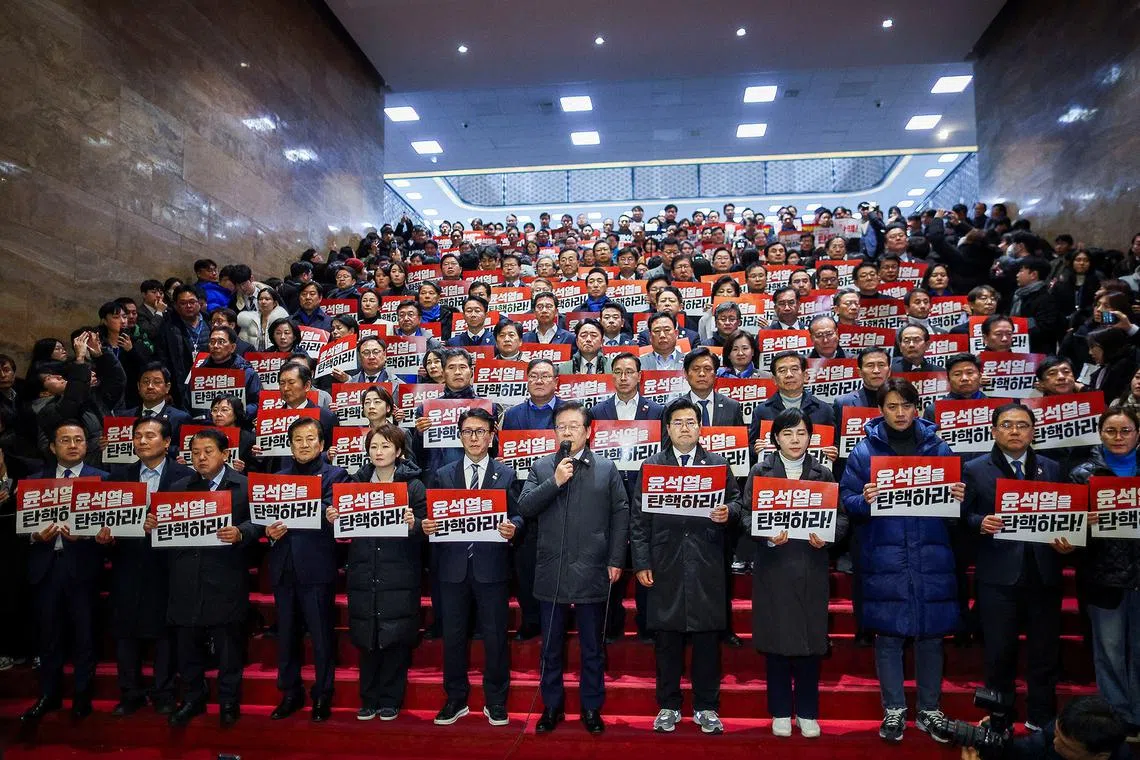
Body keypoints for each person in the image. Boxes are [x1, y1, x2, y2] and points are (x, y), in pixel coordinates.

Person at [839, 378, 964, 743]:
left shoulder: (939, 447)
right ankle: (894, 710)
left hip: (931, 552)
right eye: (891, 406)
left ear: (917, 408)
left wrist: (959, 495)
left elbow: (958, 507)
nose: (899, 412)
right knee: (889, 637)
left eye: (905, 406)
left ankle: (929, 710)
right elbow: (848, 502)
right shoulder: (864, 452)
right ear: (880, 410)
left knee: (931, 636)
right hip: (885, 554)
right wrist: (865, 498)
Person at [630, 398, 741, 735]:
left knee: (708, 640)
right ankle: (668, 705)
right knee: (667, 640)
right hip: (665, 563)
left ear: (700, 426)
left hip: (706, 561)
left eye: (690, 421)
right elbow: (638, 522)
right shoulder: (652, 466)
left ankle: (707, 707)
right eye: (677, 422)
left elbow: (738, 502)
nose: (684, 428)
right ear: (667, 428)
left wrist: (729, 513)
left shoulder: (718, 465)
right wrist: (642, 562)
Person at [519, 401, 629, 735]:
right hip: (552, 570)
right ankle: (551, 707)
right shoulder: (542, 468)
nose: (567, 432)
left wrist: (615, 559)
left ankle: (591, 708)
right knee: (550, 647)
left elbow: (620, 513)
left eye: (573, 426)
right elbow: (525, 506)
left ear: (588, 430)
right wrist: (555, 481)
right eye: (561, 426)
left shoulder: (606, 468)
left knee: (592, 647)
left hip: (593, 567)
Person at [962, 402, 1071, 730]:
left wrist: (1069, 539)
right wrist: (980, 522)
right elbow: (959, 517)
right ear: (993, 431)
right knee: (999, 653)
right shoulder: (974, 469)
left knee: (1044, 655)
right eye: (1007, 425)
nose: (1014, 431)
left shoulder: (1052, 468)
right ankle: (999, 719)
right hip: (998, 577)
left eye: (1022, 425)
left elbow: (1067, 515)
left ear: (1033, 431)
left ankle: (1041, 719)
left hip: (1044, 575)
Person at [747, 409, 846, 739]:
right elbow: (746, 517)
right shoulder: (761, 471)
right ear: (776, 437)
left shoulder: (823, 474)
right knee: (775, 641)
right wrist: (765, 535)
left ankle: (806, 711)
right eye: (787, 433)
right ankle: (778, 711)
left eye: (801, 433)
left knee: (809, 641)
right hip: (774, 567)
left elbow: (842, 519)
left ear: (810, 438)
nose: (794, 439)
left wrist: (828, 536)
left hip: (811, 565)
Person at [423, 408, 520, 727]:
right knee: (452, 637)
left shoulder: (505, 474)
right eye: (468, 431)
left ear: (492, 436)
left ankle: (495, 700)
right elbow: (431, 516)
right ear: (459, 435)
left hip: (491, 568)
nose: (474, 437)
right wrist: (427, 525)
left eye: (481, 431)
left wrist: (513, 527)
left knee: (494, 636)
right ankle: (455, 698)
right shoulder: (444, 474)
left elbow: (519, 515)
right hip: (451, 568)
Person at [326, 424, 425, 721]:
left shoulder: (414, 486)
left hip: (399, 570)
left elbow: (428, 528)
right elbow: (341, 523)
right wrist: (333, 516)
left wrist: (414, 524)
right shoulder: (354, 485)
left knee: (395, 638)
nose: (379, 452)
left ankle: (391, 699)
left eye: (385, 446)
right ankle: (368, 698)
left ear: (398, 451)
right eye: (373, 447)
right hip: (364, 568)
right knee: (366, 635)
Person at [167, 429, 260, 728]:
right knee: (187, 644)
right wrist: (153, 524)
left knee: (228, 646)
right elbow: (163, 530)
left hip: (225, 575)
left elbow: (259, 521)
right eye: (195, 452)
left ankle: (229, 700)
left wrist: (242, 532)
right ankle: (193, 697)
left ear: (225, 454)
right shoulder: (178, 488)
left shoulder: (244, 487)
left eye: (208, 451)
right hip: (185, 577)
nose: (201, 457)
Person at [101, 416, 193, 717]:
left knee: (164, 632)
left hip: (167, 565)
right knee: (125, 630)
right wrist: (105, 535)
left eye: (150, 435)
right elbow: (107, 522)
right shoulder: (117, 477)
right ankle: (130, 692)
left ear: (166, 442)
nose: (142, 441)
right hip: (127, 563)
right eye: (137, 435)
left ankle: (164, 691)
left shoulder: (185, 476)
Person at [20, 421, 108, 723]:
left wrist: (89, 535)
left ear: (87, 445)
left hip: (82, 568)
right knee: (49, 636)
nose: (73, 445)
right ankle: (49, 694)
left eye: (79, 440)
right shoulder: (33, 482)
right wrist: (34, 536)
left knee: (84, 635)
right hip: (45, 568)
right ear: (52, 447)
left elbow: (112, 528)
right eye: (65, 440)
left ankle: (82, 697)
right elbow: (19, 530)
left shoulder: (103, 480)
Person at [266, 418, 352, 723]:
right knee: (287, 635)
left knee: (321, 635)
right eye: (298, 439)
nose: (304, 445)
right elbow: (265, 517)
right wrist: (269, 529)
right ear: (290, 444)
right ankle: (290, 692)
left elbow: (327, 512)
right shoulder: (277, 477)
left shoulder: (336, 475)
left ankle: (322, 694)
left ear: (322, 444)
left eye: (310, 439)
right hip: (283, 566)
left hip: (316, 565)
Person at [1070, 407, 1140, 738]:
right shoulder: (1082, 474)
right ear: (1100, 434)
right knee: (1110, 651)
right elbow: (1068, 529)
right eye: (1111, 431)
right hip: (1102, 576)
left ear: (1137, 434)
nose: (1118, 437)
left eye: (1125, 431)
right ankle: (1119, 717)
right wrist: (1085, 524)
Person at [958, 696, 1131, 760]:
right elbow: (1030, 748)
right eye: (1055, 733)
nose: (1055, 742)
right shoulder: (1062, 729)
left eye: (1066, 745)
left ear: (1099, 756)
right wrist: (999, 738)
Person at [751, 351, 836, 456]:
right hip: (775, 471)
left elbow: (835, 444)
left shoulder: (824, 410)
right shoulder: (761, 411)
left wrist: (833, 453)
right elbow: (750, 448)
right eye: (782, 371)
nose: (789, 375)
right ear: (774, 380)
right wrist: (755, 450)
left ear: (805, 375)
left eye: (794, 369)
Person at [114, 362, 192, 441]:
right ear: (138, 386)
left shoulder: (180, 418)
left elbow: (184, 449)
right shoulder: (124, 417)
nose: (150, 386)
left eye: (157, 382)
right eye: (145, 382)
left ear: (167, 387)